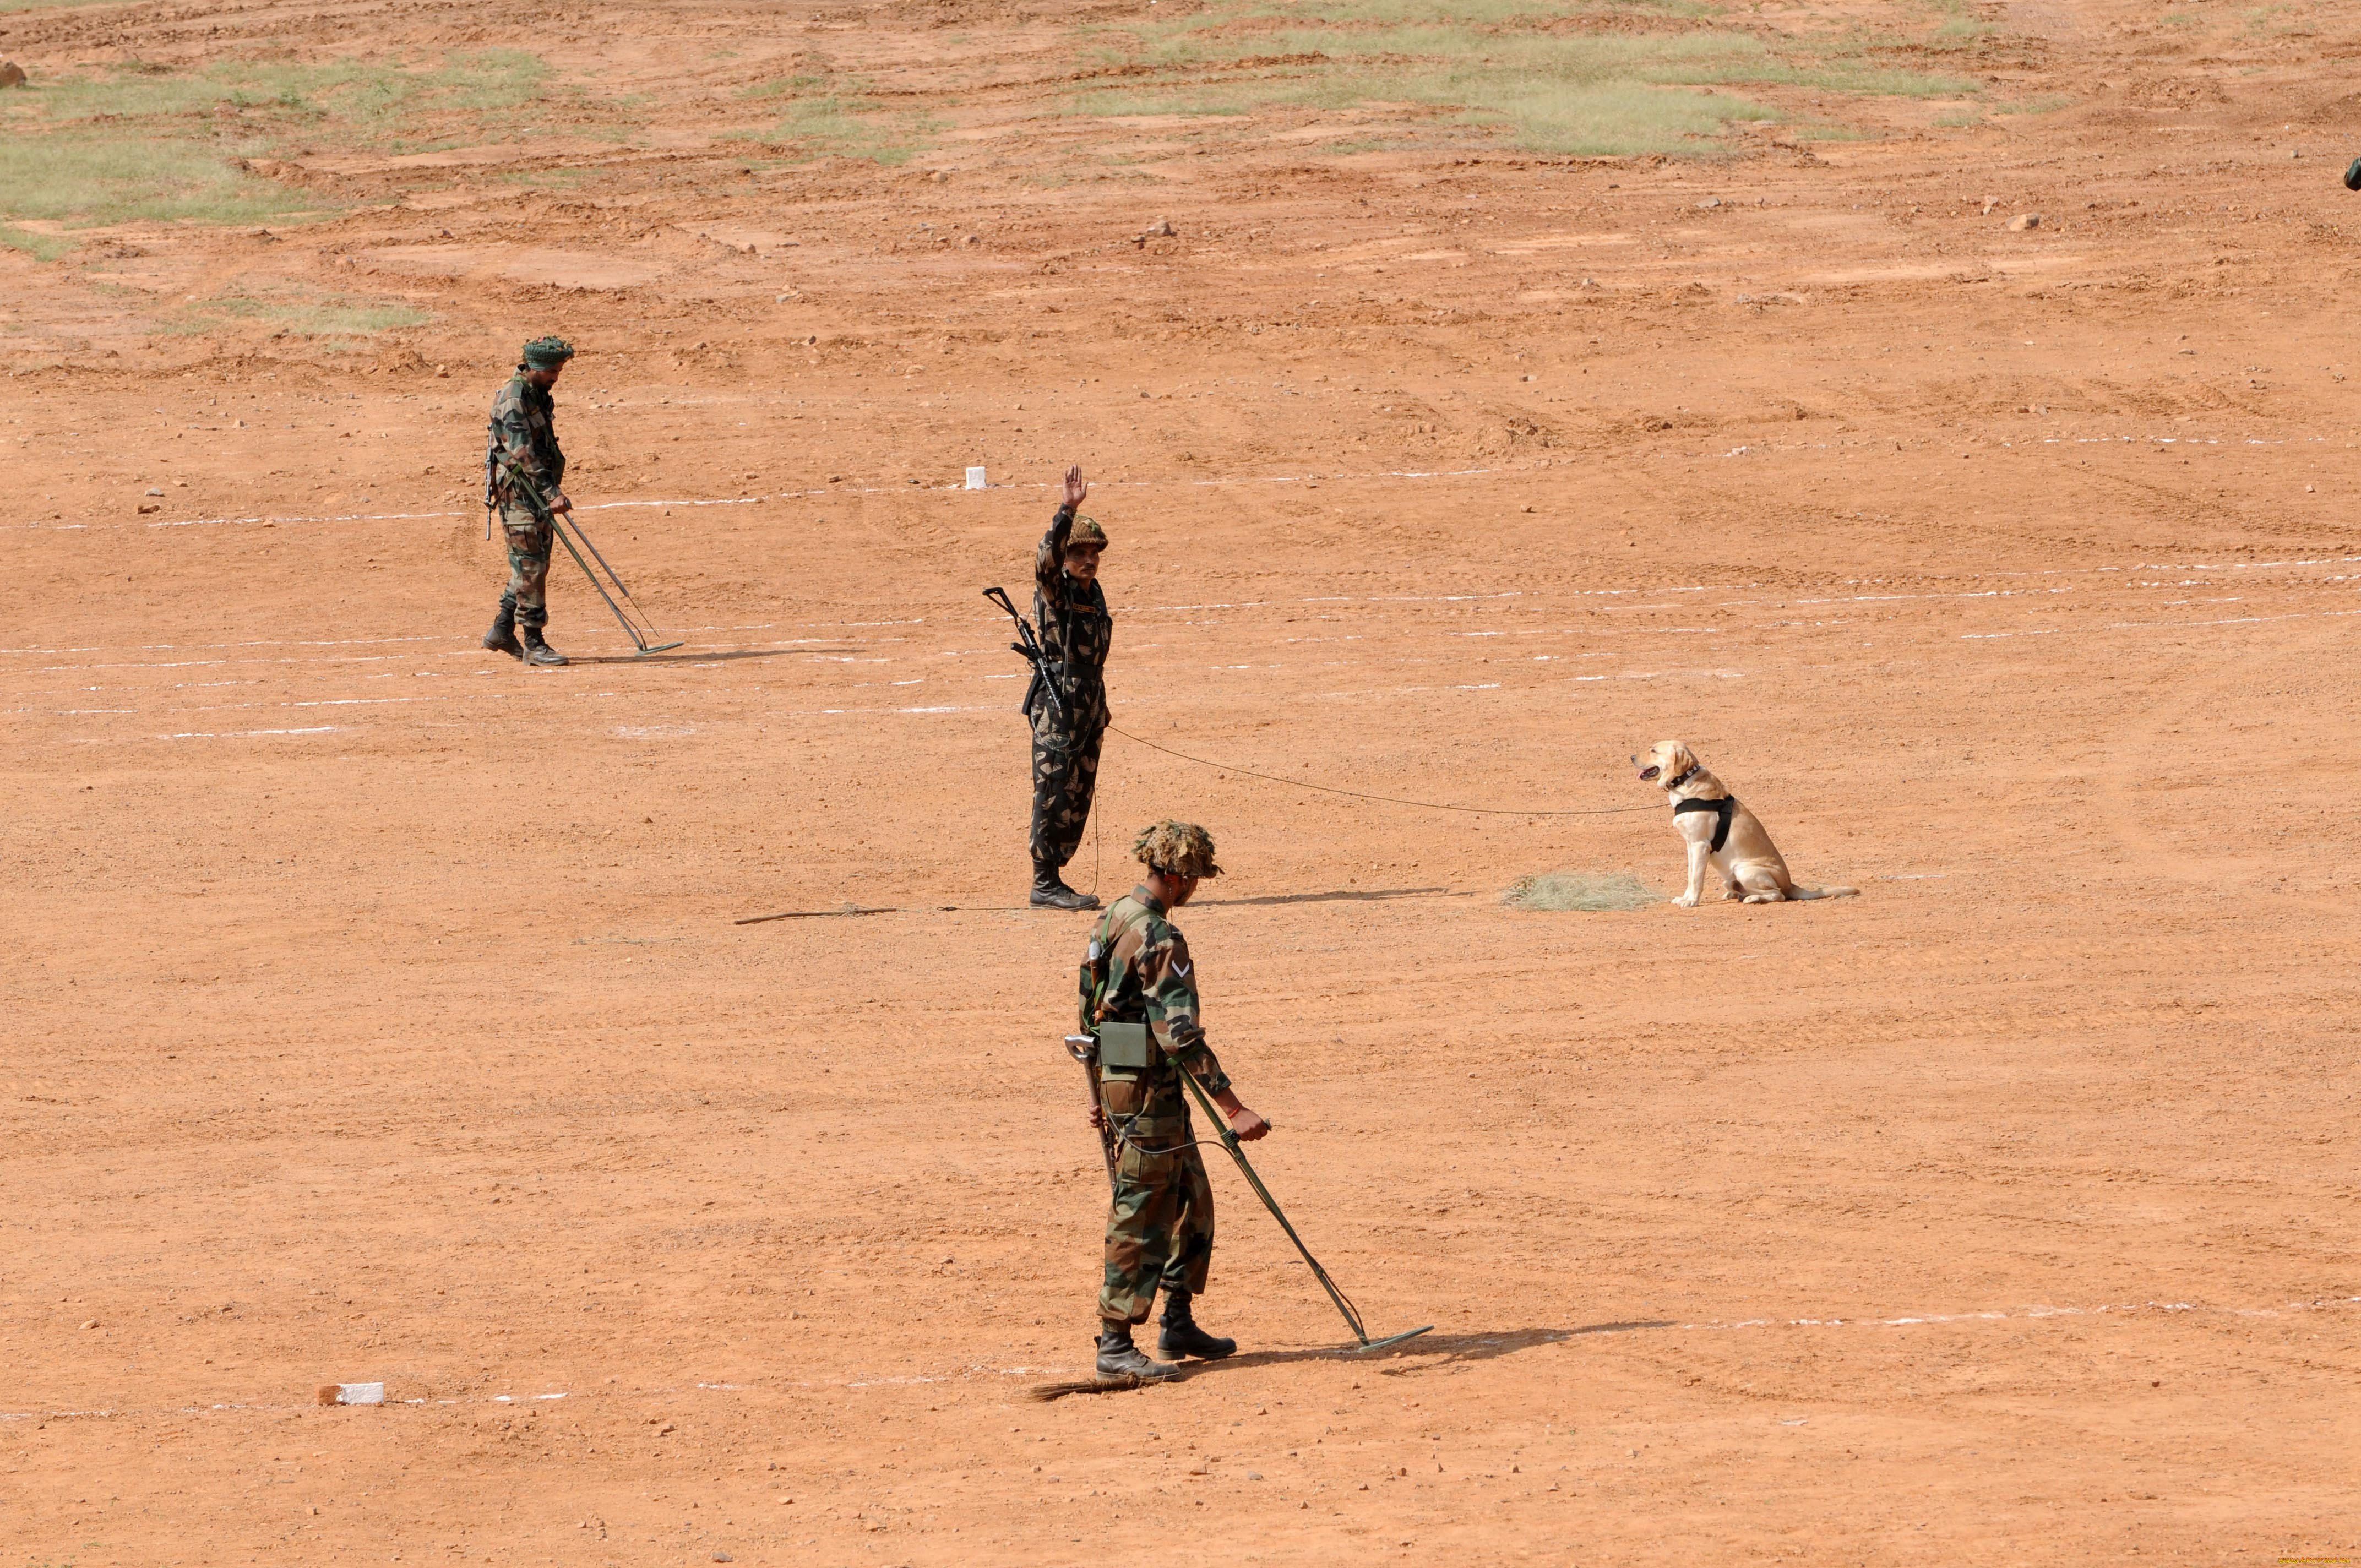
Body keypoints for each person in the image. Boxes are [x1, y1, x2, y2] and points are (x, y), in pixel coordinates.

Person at [1079, 820, 1269, 1381]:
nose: (1193, 889)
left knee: (1193, 1197)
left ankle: (1177, 1320)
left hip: (1129, 1084)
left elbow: (1087, 1012)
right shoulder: (1160, 937)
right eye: (1192, 879)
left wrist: (1101, 1089)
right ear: (1176, 876)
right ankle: (1115, 1343)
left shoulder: (1112, 916)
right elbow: (1180, 1034)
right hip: (1147, 1093)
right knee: (1141, 1209)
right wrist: (1234, 1108)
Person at [1026, 464, 1112, 909]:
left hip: (1088, 704)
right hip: (1059, 705)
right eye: (1080, 552)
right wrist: (1066, 510)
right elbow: (1045, 557)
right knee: (1053, 788)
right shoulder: (1055, 589)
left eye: (1095, 553)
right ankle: (1044, 882)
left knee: (1078, 791)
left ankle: (1056, 876)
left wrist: (1100, 707)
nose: (1090, 560)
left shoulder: (1092, 591)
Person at [481, 336, 576, 668]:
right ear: (534, 367)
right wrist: (553, 494)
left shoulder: (537, 394)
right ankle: (534, 645)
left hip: (534, 491)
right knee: (531, 567)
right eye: (552, 370)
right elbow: (523, 454)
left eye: (559, 370)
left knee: (533, 565)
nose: (556, 376)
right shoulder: (514, 399)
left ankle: (502, 630)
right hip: (521, 493)